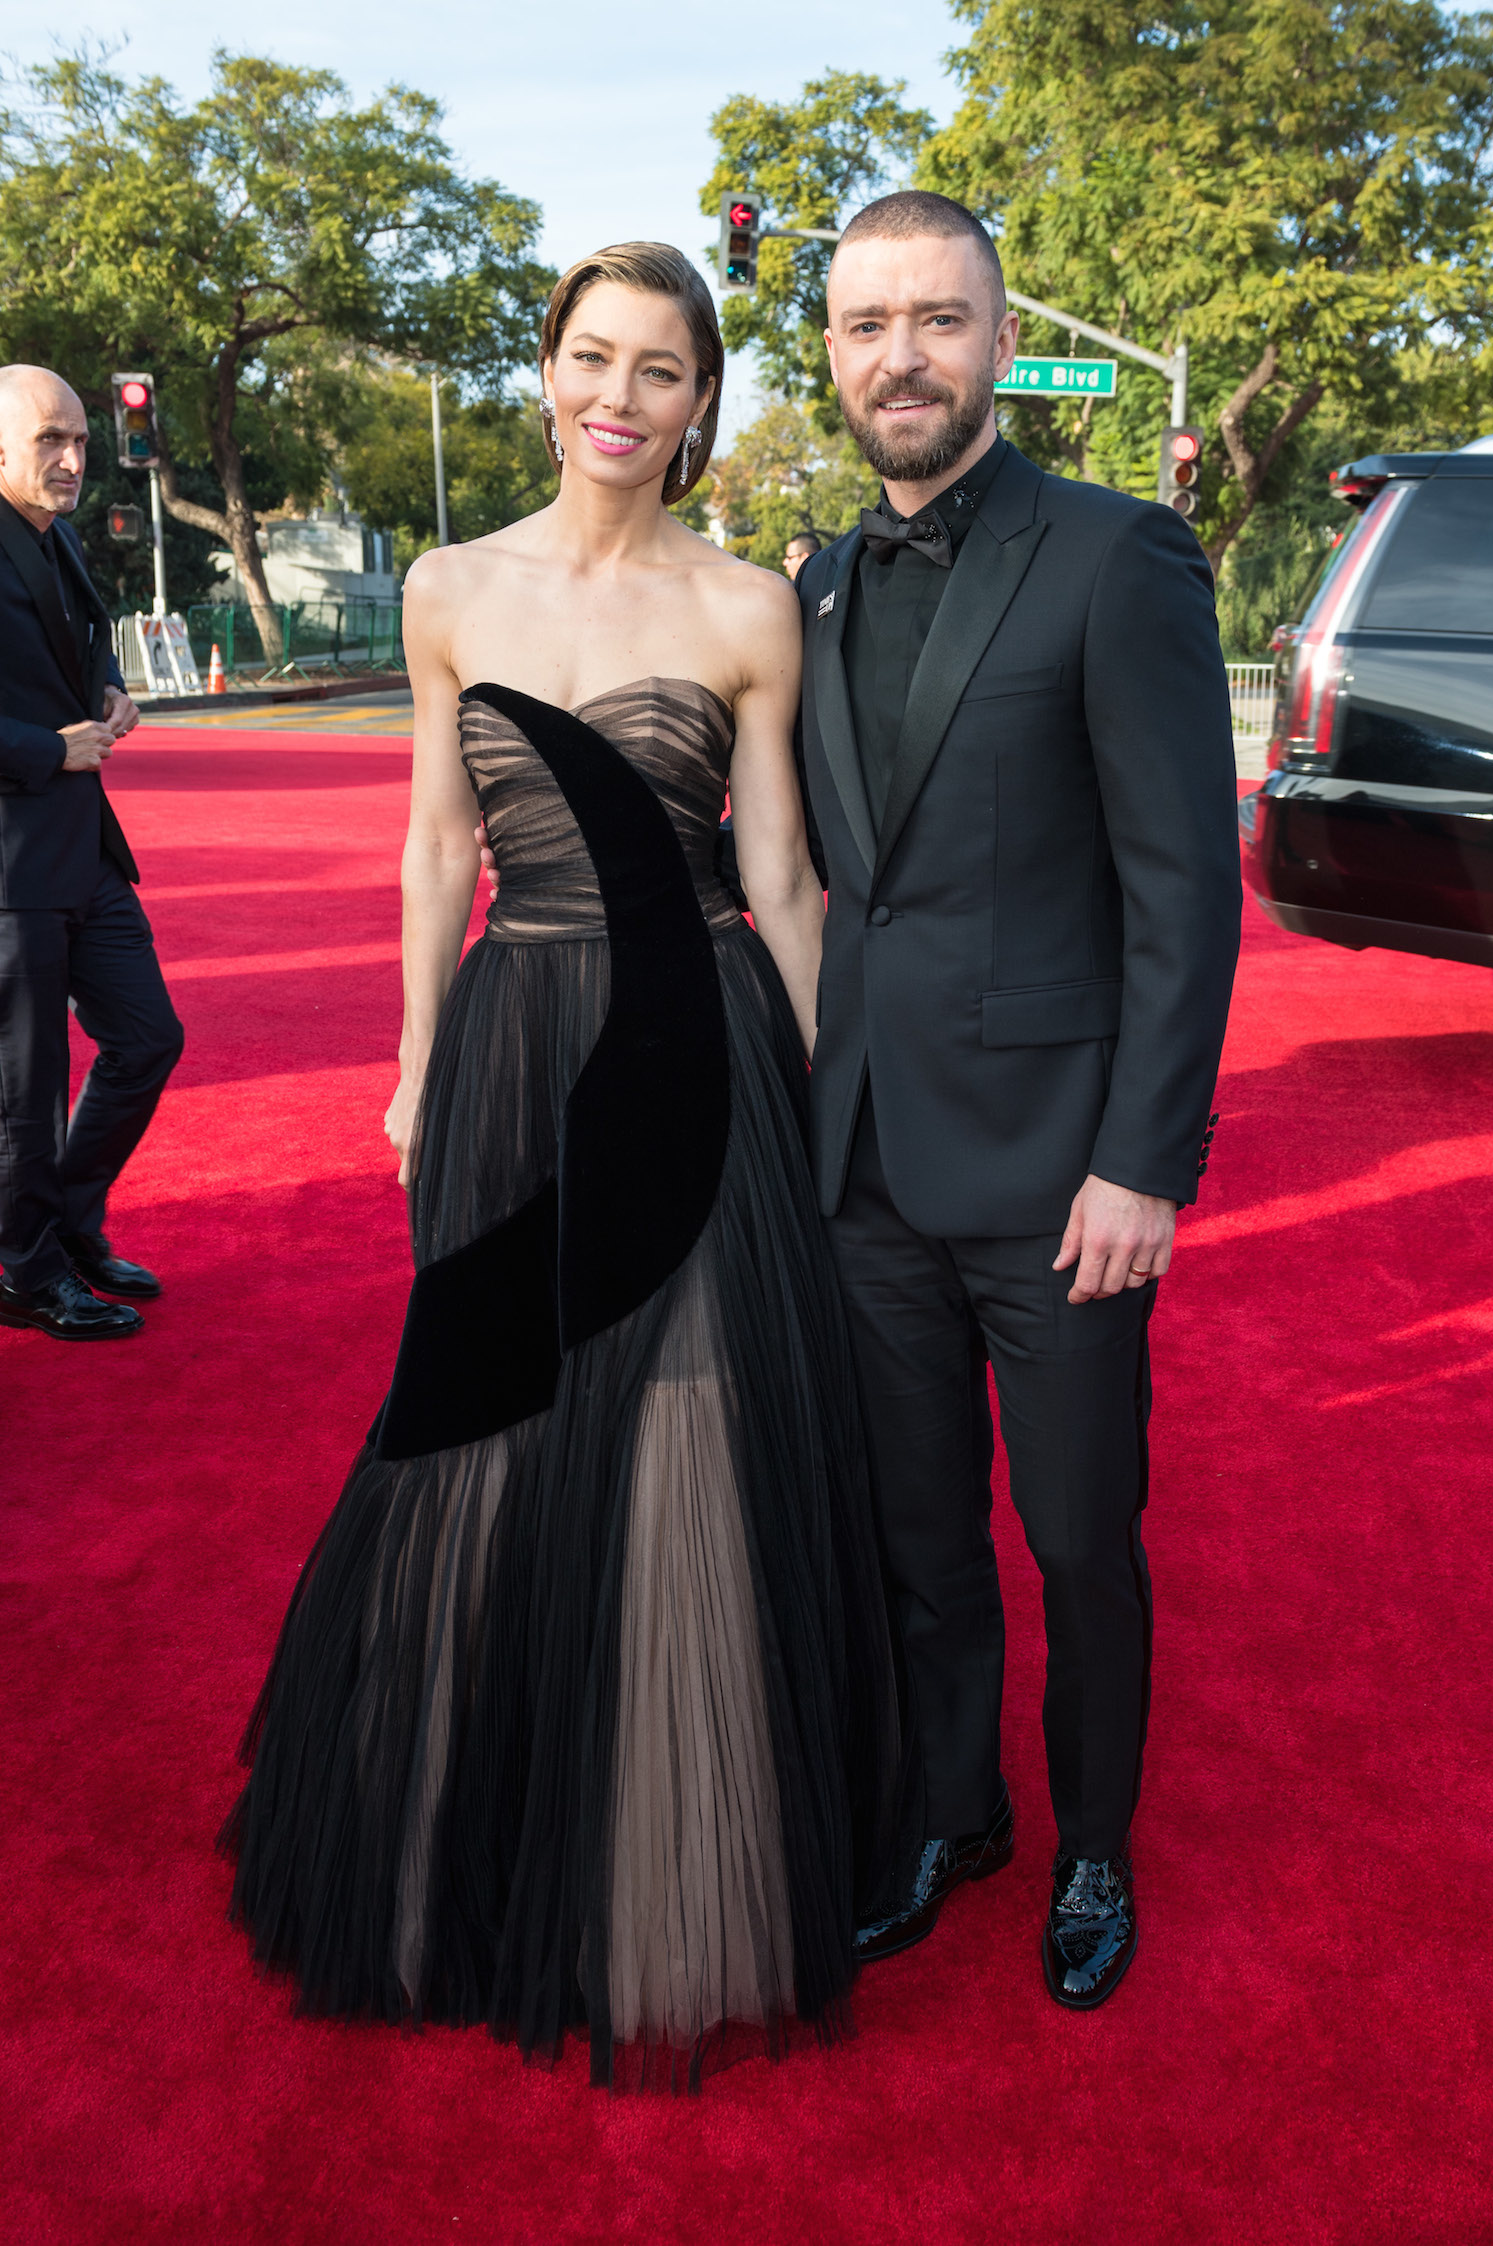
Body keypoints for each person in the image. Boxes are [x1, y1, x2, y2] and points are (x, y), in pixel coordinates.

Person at [222, 243, 900, 2090]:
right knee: (497, 1422)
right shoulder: (451, 588)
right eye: (592, 356)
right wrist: (417, 1065)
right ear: (545, 371)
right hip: (515, 1049)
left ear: (701, 402)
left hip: (702, 1059)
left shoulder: (754, 606)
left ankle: (667, 1867)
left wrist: (848, 1105)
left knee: (682, 1421)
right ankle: (479, 1843)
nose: (621, 394)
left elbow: (777, 885)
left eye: (661, 369)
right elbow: (441, 845)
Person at [792, 193, 1241, 2008]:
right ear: (831, 353)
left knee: (1076, 1541)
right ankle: (949, 1812)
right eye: (863, 325)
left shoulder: (1117, 554)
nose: (900, 355)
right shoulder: (815, 578)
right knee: (916, 1533)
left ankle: (1094, 1852)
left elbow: (1183, 891)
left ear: (999, 337)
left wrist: (1147, 1160)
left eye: (937, 319)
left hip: (1066, 1182)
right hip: (870, 1167)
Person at [0, 364, 179, 1342]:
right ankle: (24, 1272)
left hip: (86, 850)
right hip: (10, 862)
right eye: (49, 442)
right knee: (23, 1091)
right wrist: (44, 747)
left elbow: (86, 646)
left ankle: (67, 1222)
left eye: (79, 438)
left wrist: (112, 692)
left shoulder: (57, 537)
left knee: (149, 1036)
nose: (74, 458)